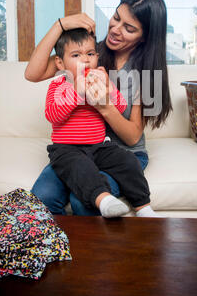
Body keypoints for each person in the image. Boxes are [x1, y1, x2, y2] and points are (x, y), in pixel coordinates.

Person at [27, 0, 172, 216]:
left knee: (83, 201)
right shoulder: (90, 55)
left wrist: (104, 106)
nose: (115, 29)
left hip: (123, 152)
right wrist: (60, 25)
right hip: (77, 149)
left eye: (129, 28)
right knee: (43, 198)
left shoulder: (149, 74)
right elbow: (32, 74)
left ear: (145, 36)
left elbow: (133, 136)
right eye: (116, 17)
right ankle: (56, 249)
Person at [45, 27, 157, 218]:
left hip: (99, 146)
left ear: (97, 57)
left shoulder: (102, 79)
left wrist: (108, 88)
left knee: (128, 161)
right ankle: (103, 199)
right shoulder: (59, 85)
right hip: (67, 150)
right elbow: (53, 115)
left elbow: (121, 107)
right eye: (76, 55)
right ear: (60, 62)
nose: (85, 59)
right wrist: (76, 93)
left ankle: (143, 207)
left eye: (90, 54)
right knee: (81, 168)